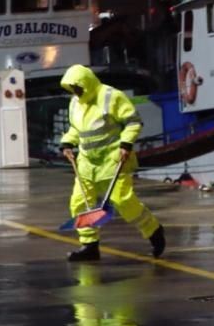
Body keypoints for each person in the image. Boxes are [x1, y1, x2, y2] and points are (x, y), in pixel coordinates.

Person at [59, 65, 165, 261]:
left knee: (123, 202)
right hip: (87, 163)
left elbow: (133, 121)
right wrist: (67, 142)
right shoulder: (75, 102)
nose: (76, 92)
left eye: (77, 87)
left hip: (112, 160)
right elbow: (76, 129)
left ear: (86, 82)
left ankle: (154, 231)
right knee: (79, 203)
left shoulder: (111, 96)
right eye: (72, 88)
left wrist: (126, 144)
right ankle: (89, 246)